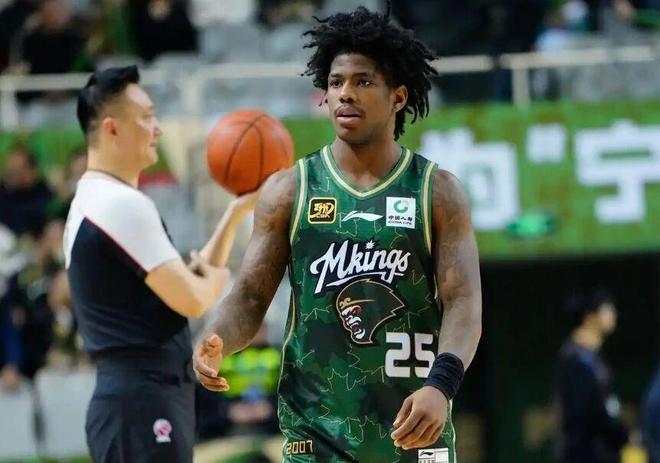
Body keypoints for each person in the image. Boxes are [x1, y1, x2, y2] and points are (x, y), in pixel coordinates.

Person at [194, 5, 482, 462]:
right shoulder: (290, 190)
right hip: (317, 434)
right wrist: (217, 340)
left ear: (398, 97)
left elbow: (463, 302)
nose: (345, 93)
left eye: (363, 81)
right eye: (336, 82)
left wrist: (441, 385)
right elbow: (249, 296)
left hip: (414, 426)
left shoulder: (437, 191)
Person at [65, 65, 256, 463]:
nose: (158, 128)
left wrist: (235, 212)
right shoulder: (122, 205)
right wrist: (221, 279)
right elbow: (194, 298)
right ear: (112, 129)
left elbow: (188, 280)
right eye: (147, 117)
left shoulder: (96, 198)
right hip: (142, 398)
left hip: (134, 397)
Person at [556, 287, 629, 463]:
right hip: (584, 453)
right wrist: (618, 433)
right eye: (607, 309)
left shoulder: (594, 355)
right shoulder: (575, 358)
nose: (613, 315)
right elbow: (589, 412)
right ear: (590, 316)